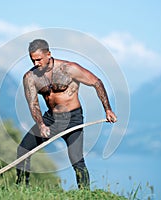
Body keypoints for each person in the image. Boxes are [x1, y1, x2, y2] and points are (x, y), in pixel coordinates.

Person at [16, 39, 117, 189]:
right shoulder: (30, 77)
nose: (36, 63)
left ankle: (85, 194)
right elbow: (33, 103)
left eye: (39, 60)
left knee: (76, 159)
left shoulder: (69, 68)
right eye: (32, 60)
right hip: (50, 119)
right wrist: (41, 125)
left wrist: (108, 109)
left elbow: (97, 82)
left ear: (48, 54)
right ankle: (22, 189)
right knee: (23, 150)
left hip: (73, 118)